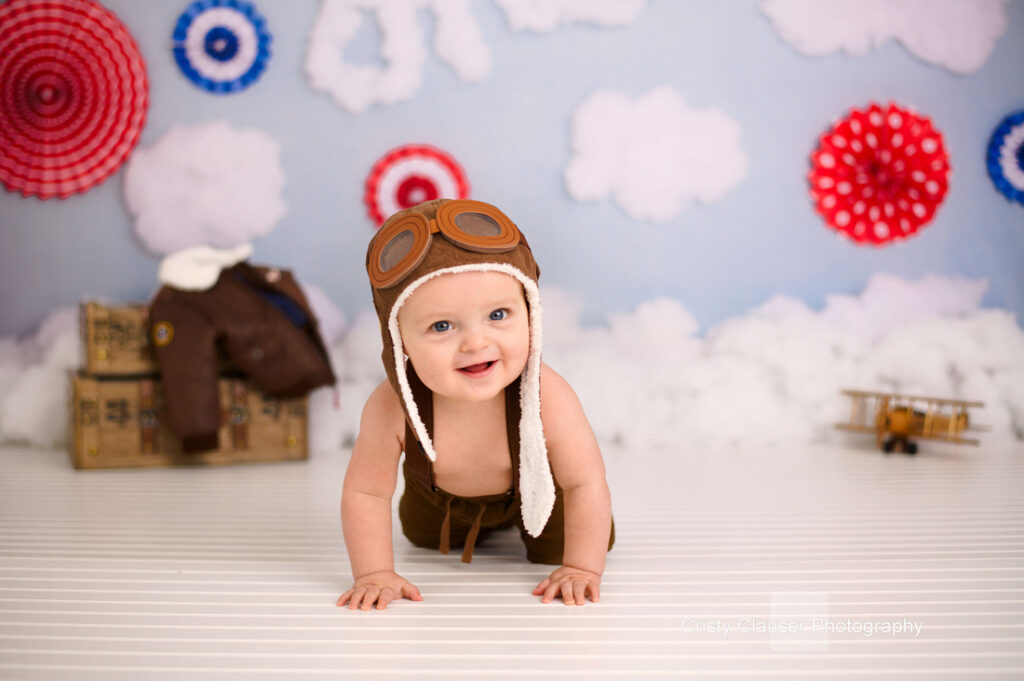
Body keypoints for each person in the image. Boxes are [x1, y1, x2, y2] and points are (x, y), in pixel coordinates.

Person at [337, 198, 615, 611]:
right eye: (442, 326)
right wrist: (374, 573)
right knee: (422, 539)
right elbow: (366, 493)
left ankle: (554, 545)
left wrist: (582, 568)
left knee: (572, 544)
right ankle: (460, 529)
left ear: (531, 312)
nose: (476, 343)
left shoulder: (546, 394)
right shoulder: (393, 404)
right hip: (438, 501)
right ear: (400, 342)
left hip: (537, 492)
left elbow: (584, 483)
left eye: (498, 314)